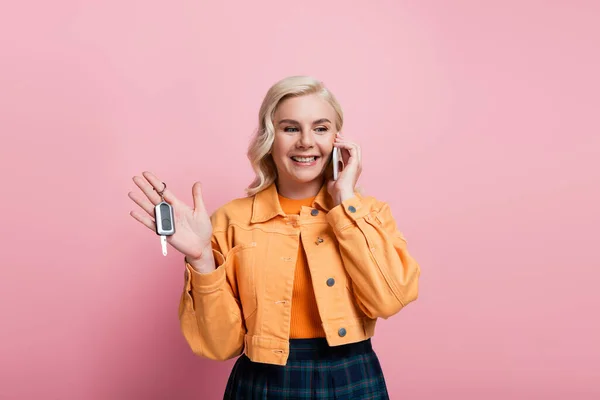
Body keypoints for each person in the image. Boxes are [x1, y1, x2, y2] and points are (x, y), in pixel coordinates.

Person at [128, 76, 421, 399]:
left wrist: (346, 201)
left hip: (351, 376)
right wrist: (201, 259)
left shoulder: (368, 213)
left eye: (320, 128)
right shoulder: (231, 221)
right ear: (270, 138)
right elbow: (220, 345)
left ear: (338, 140)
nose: (306, 141)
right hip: (263, 382)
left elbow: (390, 300)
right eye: (290, 128)